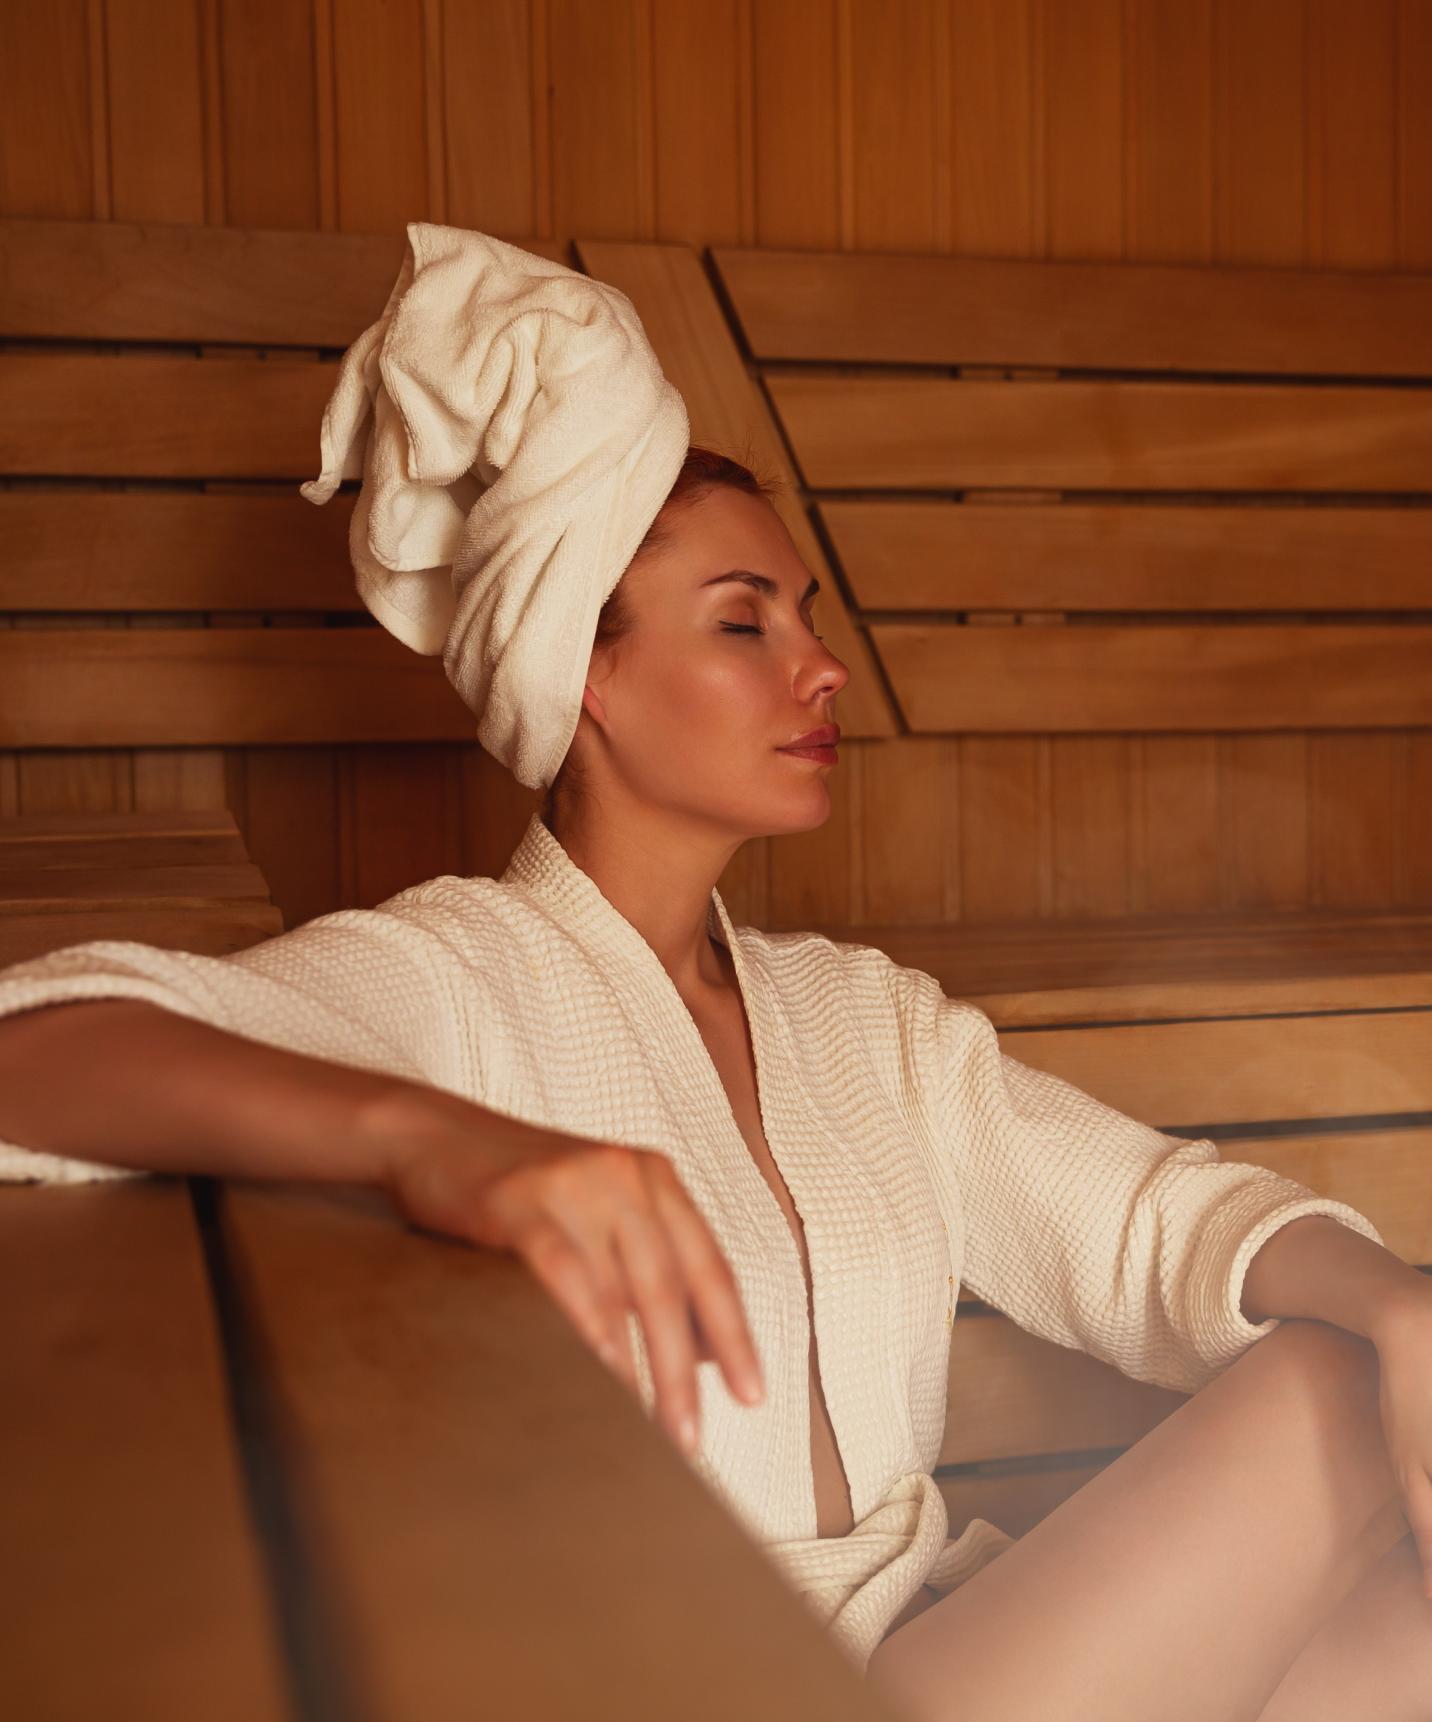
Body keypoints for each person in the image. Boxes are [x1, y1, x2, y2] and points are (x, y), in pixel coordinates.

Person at [5, 447, 1431, 1717]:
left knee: (1388, 1482)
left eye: (806, 616)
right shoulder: (460, 981)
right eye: (744, 623)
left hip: (938, 1646)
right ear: (589, 676)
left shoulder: (860, 1018)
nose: (818, 667)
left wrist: (1398, 1303)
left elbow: (1156, 1225)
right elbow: (39, 1052)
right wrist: (432, 1140)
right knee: (1329, 1387)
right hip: (709, 1678)